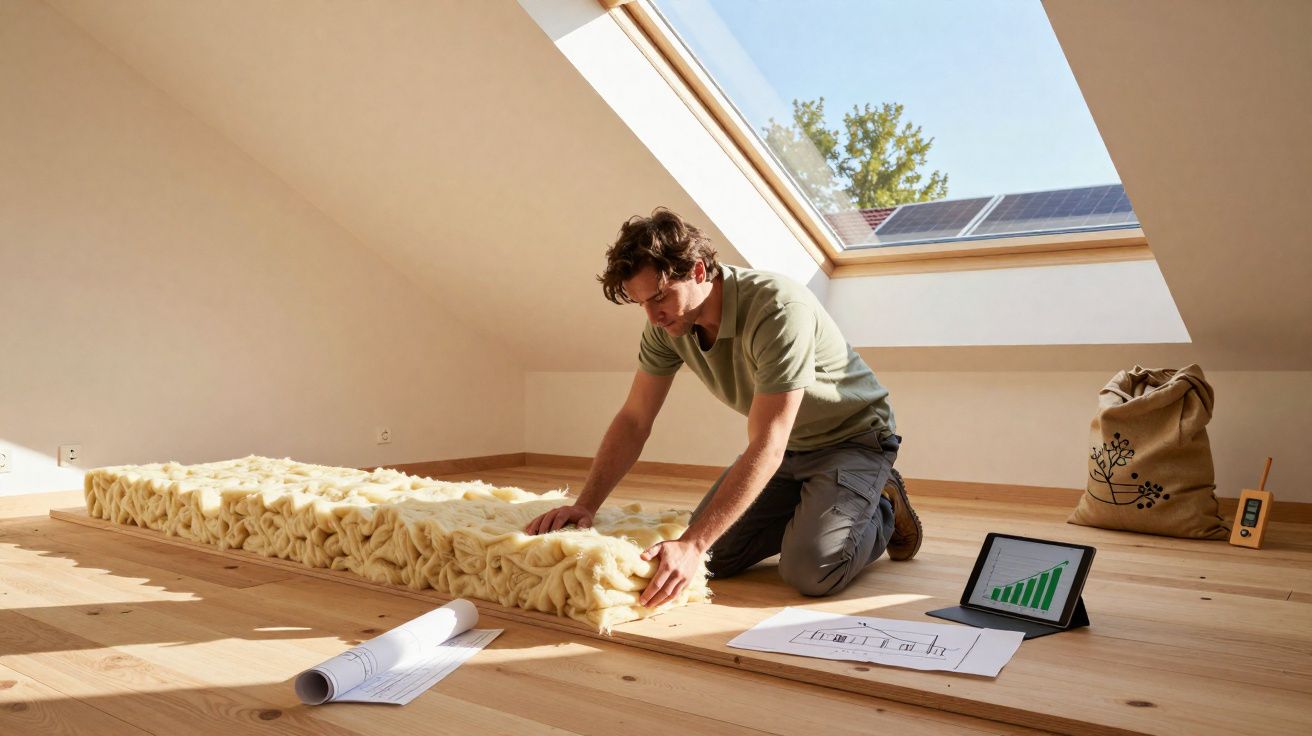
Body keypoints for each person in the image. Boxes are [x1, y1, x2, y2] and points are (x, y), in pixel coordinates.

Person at [524, 208, 921, 608]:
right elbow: (634, 419)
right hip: (788, 450)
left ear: (698, 271)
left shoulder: (777, 308)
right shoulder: (666, 325)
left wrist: (694, 543)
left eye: (659, 297)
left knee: (809, 570)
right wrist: (585, 505)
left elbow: (769, 441)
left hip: (853, 440)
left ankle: (883, 504)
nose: (652, 315)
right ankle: (816, 509)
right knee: (716, 559)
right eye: (641, 302)